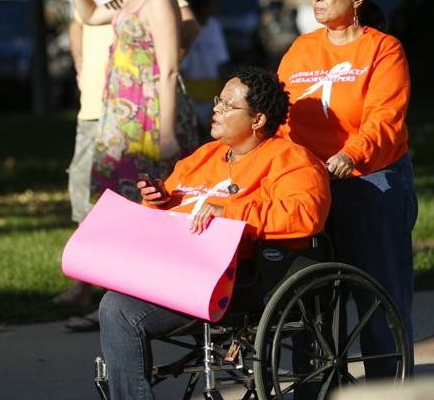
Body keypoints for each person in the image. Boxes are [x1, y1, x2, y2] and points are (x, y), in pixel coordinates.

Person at [98, 67, 331, 400]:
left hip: (240, 282)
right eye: (218, 100)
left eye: (228, 105)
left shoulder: (292, 161)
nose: (217, 109)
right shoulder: (204, 157)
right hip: (180, 269)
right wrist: (158, 202)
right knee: (114, 306)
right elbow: (175, 213)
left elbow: (305, 216)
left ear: (258, 119)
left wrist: (230, 213)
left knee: (119, 311)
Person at [53, 0, 198, 313]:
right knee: (117, 214)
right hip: (122, 121)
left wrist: (168, 134)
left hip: (150, 122)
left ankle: (158, 304)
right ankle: (119, 307)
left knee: (154, 213)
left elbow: (169, 70)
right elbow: (91, 17)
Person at [277, 0, 418, 377]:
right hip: (309, 184)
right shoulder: (303, 48)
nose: (318, 0)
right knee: (308, 297)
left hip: (369, 181)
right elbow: (279, 112)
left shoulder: (382, 49)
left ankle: (387, 383)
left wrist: (350, 154)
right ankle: (317, 383)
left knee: (377, 295)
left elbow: (385, 118)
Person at [180, 0, 230, 131]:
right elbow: (181, 66)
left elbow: (221, 61)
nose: (216, 6)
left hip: (211, 92)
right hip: (191, 90)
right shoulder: (187, 27)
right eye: (212, 2)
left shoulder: (214, 26)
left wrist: (222, 95)